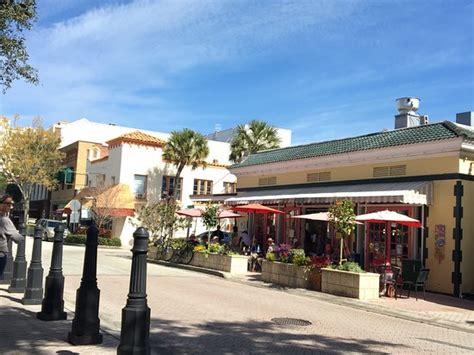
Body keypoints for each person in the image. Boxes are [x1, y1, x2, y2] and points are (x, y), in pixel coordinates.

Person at [0, 195, 24, 277]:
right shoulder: (4, 220)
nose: (10, 206)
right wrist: (21, 236)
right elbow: (17, 238)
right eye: (7, 203)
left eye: (10, 204)